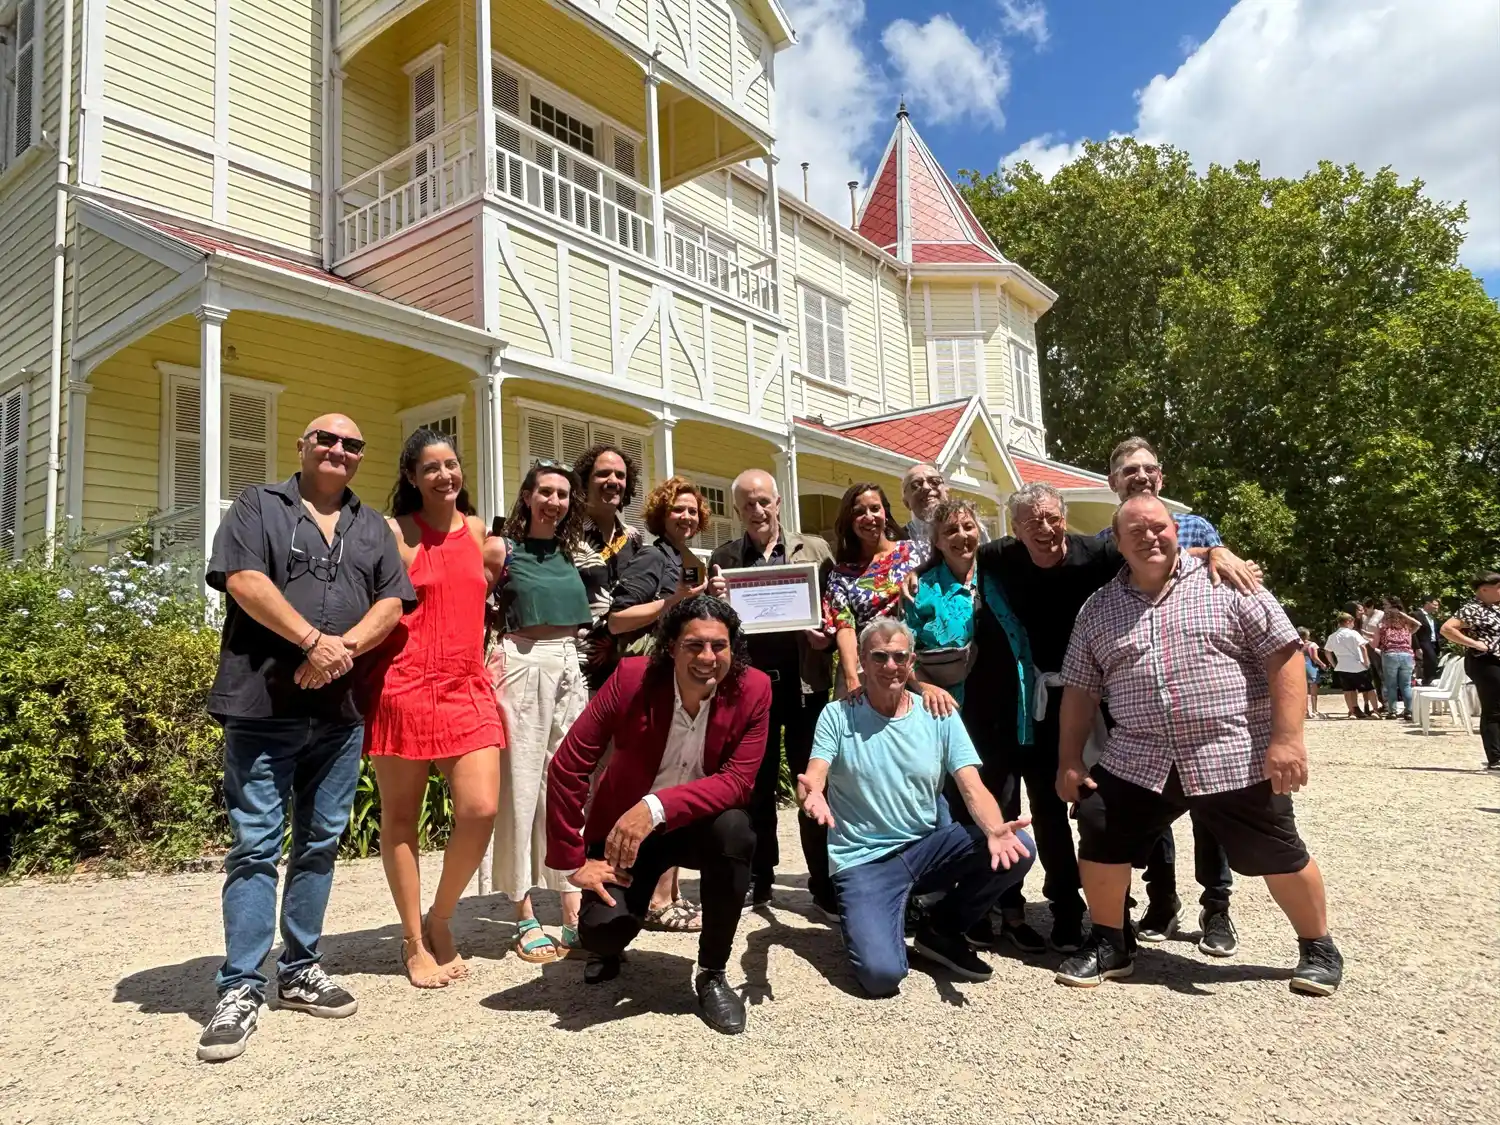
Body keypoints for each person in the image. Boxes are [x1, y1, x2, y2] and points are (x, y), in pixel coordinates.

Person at [1055, 494, 1343, 997]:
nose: (1150, 536)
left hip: (1230, 751)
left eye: (1159, 526)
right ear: (1117, 543)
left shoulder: (1229, 583)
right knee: (1099, 819)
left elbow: (1285, 656)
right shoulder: (1097, 609)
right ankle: (1109, 942)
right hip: (1139, 754)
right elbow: (1081, 689)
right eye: (1136, 531)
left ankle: (1318, 946)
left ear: (1177, 530)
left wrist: (1288, 738)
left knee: (1278, 850)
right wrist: (1070, 761)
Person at [197, 415, 415, 1063]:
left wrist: (340, 647)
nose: (338, 449)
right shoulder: (257, 506)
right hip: (261, 705)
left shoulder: (372, 526)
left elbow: (392, 603)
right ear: (302, 444)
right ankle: (239, 985)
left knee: (320, 842)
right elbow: (244, 580)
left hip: (338, 710)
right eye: (326, 438)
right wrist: (311, 640)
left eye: (353, 443)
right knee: (257, 844)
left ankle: (299, 967)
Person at [547, 596, 771, 1034]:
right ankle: (607, 949)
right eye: (694, 645)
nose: (708, 658)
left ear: (733, 649)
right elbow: (568, 765)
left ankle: (712, 972)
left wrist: (656, 806)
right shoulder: (631, 680)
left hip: (696, 826)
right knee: (601, 930)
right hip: (624, 836)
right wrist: (573, 861)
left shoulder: (754, 689)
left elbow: (739, 782)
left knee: (736, 831)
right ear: (670, 646)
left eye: (719, 646)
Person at [797, 617, 1035, 997]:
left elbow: (971, 785)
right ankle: (875, 920)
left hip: (924, 848)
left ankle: (941, 930)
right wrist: (813, 793)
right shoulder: (838, 715)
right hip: (863, 860)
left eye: (899, 657)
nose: (889, 666)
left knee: (1018, 847)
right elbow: (816, 773)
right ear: (860, 659)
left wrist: (993, 830)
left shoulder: (937, 713)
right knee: (881, 977)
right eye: (878, 656)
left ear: (911, 663)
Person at [1097, 437, 1262, 952]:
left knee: (1212, 808)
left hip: (1200, 689)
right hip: (1139, 691)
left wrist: (1214, 550)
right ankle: (1162, 899)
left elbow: (1213, 577)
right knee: (1148, 801)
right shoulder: (1106, 539)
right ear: (1113, 483)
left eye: (1148, 469)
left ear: (1161, 477)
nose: (1140, 477)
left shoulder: (1201, 528)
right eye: (1129, 471)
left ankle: (1217, 909)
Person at [363, 429, 505, 988]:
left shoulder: (480, 533)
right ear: (411, 478)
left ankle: (440, 917)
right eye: (430, 468)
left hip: (467, 685)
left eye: (452, 465)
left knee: (480, 809)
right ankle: (414, 942)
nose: (445, 475)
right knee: (400, 818)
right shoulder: (394, 532)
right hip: (406, 683)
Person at [707, 469, 837, 917]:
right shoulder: (724, 558)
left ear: (778, 502)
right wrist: (718, 599)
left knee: (812, 784)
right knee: (755, 787)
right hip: (750, 690)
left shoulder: (815, 550)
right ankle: (759, 879)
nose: (757, 510)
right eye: (747, 504)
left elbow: (837, 614)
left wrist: (827, 636)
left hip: (805, 687)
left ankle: (822, 882)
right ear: (738, 509)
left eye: (764, 501)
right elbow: (715, 627)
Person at [491, 460, 593, 963]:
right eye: (545, 492)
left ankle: (572, 908)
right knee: (522, 786)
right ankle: (523, 911)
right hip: (522, 664)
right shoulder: (502, 549)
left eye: (563, 494)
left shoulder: (572, 553)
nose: (555, 501)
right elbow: (476, 605)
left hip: (571, 667)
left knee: (570, 787)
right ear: (527, 496)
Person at [608, 475, 713, 931]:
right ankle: (652, 896)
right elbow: (616, 620)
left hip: (685, 683)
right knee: (657, 780)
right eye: (678, 510)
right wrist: (670, 602)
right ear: (661, 515)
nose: (686, 517)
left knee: (676, 781)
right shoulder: (651, 556)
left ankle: (667, 891)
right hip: (653, 680)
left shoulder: (692, 561)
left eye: (692, 510)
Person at [823, 483, 932, 700]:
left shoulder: (915, 553)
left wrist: (917, 571)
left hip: (918, 663)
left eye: (875, 508)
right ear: (849, 520)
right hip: (869, 667)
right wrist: (852, 678)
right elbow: (845, 627)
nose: (869, 517)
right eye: (859, 512)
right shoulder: (842, 574)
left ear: (885, 512)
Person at [571, 443, 644, 694]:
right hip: (578, 668)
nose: (613, 480)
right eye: (603, 474)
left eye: (620, 475)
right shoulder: (565, 534)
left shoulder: (634, 538)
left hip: (627, 665)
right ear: (584, 482)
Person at [904, 499, 983, 705]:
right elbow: (901, 652)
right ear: (937, 542)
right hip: (946, 708)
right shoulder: (921, 590)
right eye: (950, 531)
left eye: (968, 527)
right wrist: (926, 688)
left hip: (1001, 705)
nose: (962, 535)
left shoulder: (998, 575)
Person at [1440, 572, 1500, 770]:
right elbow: (1447, 629)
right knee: (1494, 708)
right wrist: (1474, 643)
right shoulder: (1473, 609)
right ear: (1484, 589)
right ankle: (1496, 757)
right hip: (1487, 662)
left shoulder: (1497, 607)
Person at [901, 462, 990, 544]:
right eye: (916, 485)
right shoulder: (896, 541)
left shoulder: (973, 530)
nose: (926, 487)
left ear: (946, 492)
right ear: (906, 503)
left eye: (934, 481)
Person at [1373, 599, 1421, 720]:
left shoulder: (1383, 627)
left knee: (1391, 685)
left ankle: (1392, 712)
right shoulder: (1407, 628)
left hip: (1390, 655)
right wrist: (1402, 614)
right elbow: (1418, 624)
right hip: (1406, 656)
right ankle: (1408, 711)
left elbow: (1375, 644)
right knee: (1406, 685)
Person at [1325, 613, 1379, 719]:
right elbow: (1363, 647)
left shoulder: (1332, 636)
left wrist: (1334, 664)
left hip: (1342, 666)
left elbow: (1327, 652)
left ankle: (1352, 712)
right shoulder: (1353, 633)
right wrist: (1366, 662)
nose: (1354, 624)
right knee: (1369, 689)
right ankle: (1375, 711)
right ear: (1348, 621)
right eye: (1353, 622)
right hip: (1358, 665)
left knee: (1348, 690)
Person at [1298, 628, 1329, 720]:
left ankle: (1306, 711)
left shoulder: (1296, 645)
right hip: (1310, 668)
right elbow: (1314, 657)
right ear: (1307, 635)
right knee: (1313, 692)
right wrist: (1322, 664)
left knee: (1303, 692)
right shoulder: (1312, 645)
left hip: (1299, 668)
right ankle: (1314, 710)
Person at [1413, 596, 1443, 686]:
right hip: (1423, 643)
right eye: (1435, 605)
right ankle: (1429, 682)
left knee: (1432, 663)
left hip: (1434, 643)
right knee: (1431, 661)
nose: (1437, 607)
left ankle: (1428, 681)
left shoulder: (1433, 617)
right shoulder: (1416, 615)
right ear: (1427, 603)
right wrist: (1417, 647)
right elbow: (1413, 633)